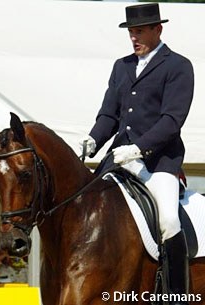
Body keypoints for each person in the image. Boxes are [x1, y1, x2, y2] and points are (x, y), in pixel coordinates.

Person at [80, 3, 193, 304]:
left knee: (169, 220)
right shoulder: (122, 66)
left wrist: (139, 148)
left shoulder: (179, 66)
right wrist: (93, 139)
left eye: (140, 31)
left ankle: (177, 294)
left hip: (158, 163)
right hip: (117, 159)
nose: (134, 37)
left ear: (158, 29)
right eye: (131, 32)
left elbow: (172, 120)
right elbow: (109, 115)